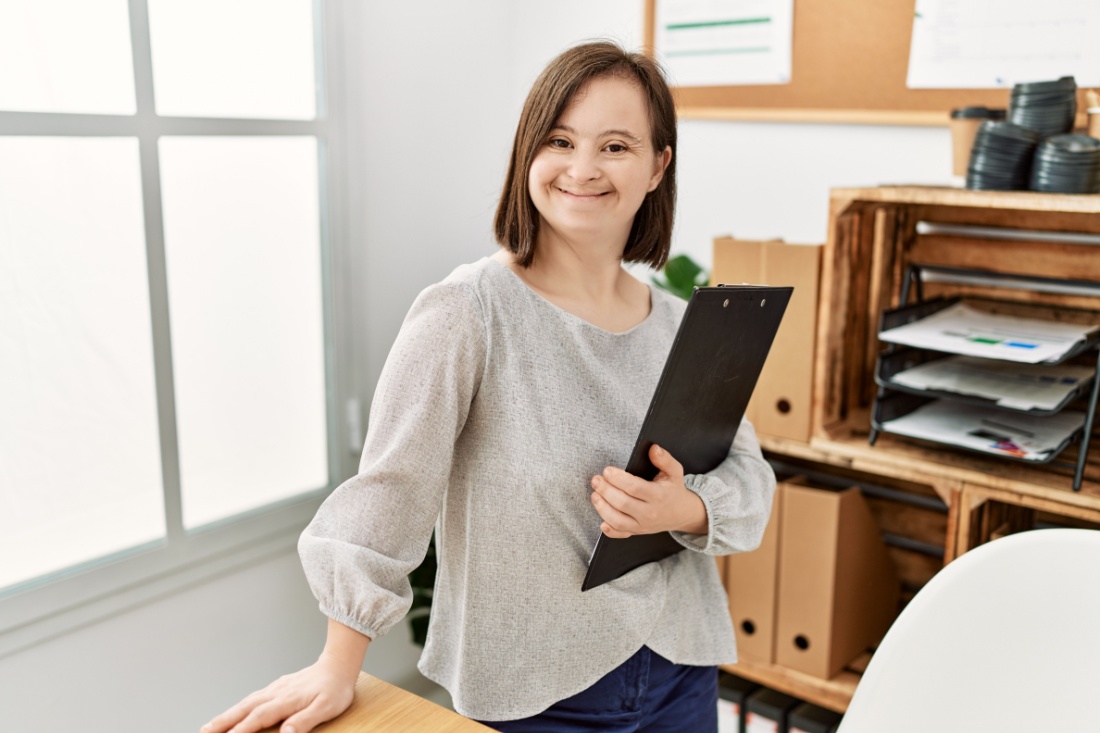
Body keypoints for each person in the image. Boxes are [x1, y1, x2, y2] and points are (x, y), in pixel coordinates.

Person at [201, 40, 775, 733]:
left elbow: (750, 479)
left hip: (682, 671)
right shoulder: (467, 310)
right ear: (527, 152)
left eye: (616, 146)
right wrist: (337, 662)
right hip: (535, 692)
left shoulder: (683, 325)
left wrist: (681, 508)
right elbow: (391, 491)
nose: (583, 168)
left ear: (658, 166)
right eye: (560, 140)